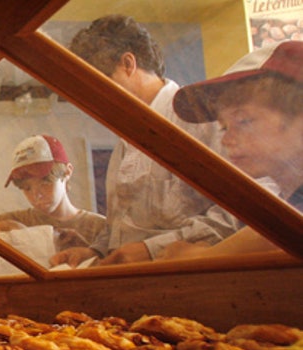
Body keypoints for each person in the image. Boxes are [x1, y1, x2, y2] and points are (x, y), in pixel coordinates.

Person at [51, 15, 241, 267]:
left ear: (128, 64)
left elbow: (235, 218)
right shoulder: (127, 138)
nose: (92, 104)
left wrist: (149, 250)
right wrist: (96, 251)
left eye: (97, 89)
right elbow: (121, 226)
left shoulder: (200, 120)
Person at [159, 40, 303, 259]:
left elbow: (283, 235)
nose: (226, 140)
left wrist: (204, 257)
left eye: (243, 121)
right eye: (224, 127)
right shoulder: (282, 201)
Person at [0, 134, 106, 258]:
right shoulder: (17, 220)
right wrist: (7, 227)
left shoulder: (99, 226)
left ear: (67, 171)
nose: (37, 195)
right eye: (27, 188)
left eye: (45, 182)